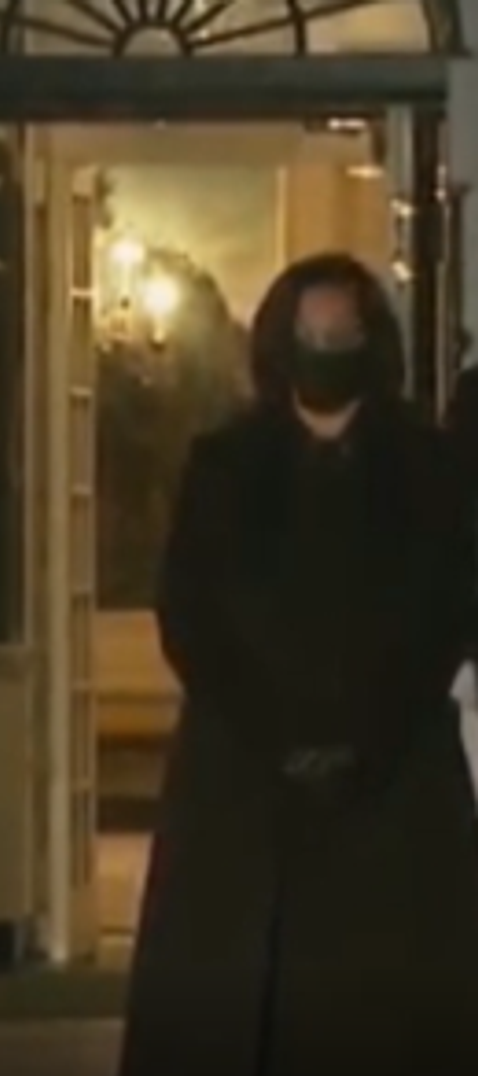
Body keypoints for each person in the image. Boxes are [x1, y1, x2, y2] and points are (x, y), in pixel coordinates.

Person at [118, 252, 478, 1076]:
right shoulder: (224, 465)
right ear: (282, 342)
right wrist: (273, 734)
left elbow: (450, 610)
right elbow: (189, 614)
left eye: (340, 334)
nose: (325, 350)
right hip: (241, 783)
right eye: (311, 334)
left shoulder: (429, 468)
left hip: (394, 784)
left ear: (370, 341)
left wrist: (366, 739)